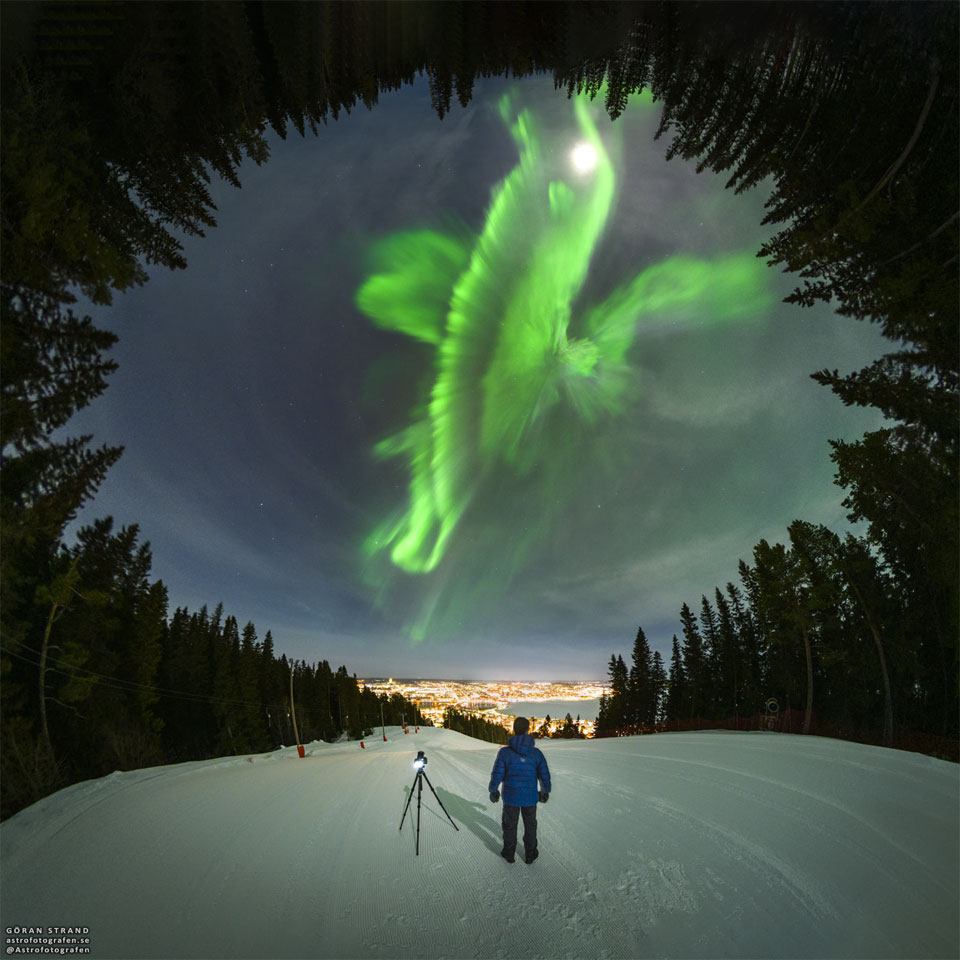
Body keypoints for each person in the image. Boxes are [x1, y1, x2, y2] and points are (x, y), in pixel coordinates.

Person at [488, 716, 551, 864]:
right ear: (527, 730)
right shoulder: (536, 753)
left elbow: (497, 773)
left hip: (511, 797)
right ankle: (531, 854)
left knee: (509, 826)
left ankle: (509, 853)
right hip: (530, 797)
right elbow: (544, 775)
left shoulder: (505, 753)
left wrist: (493, 789)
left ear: (514, 730)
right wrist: (545, 791)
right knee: (530, 825)